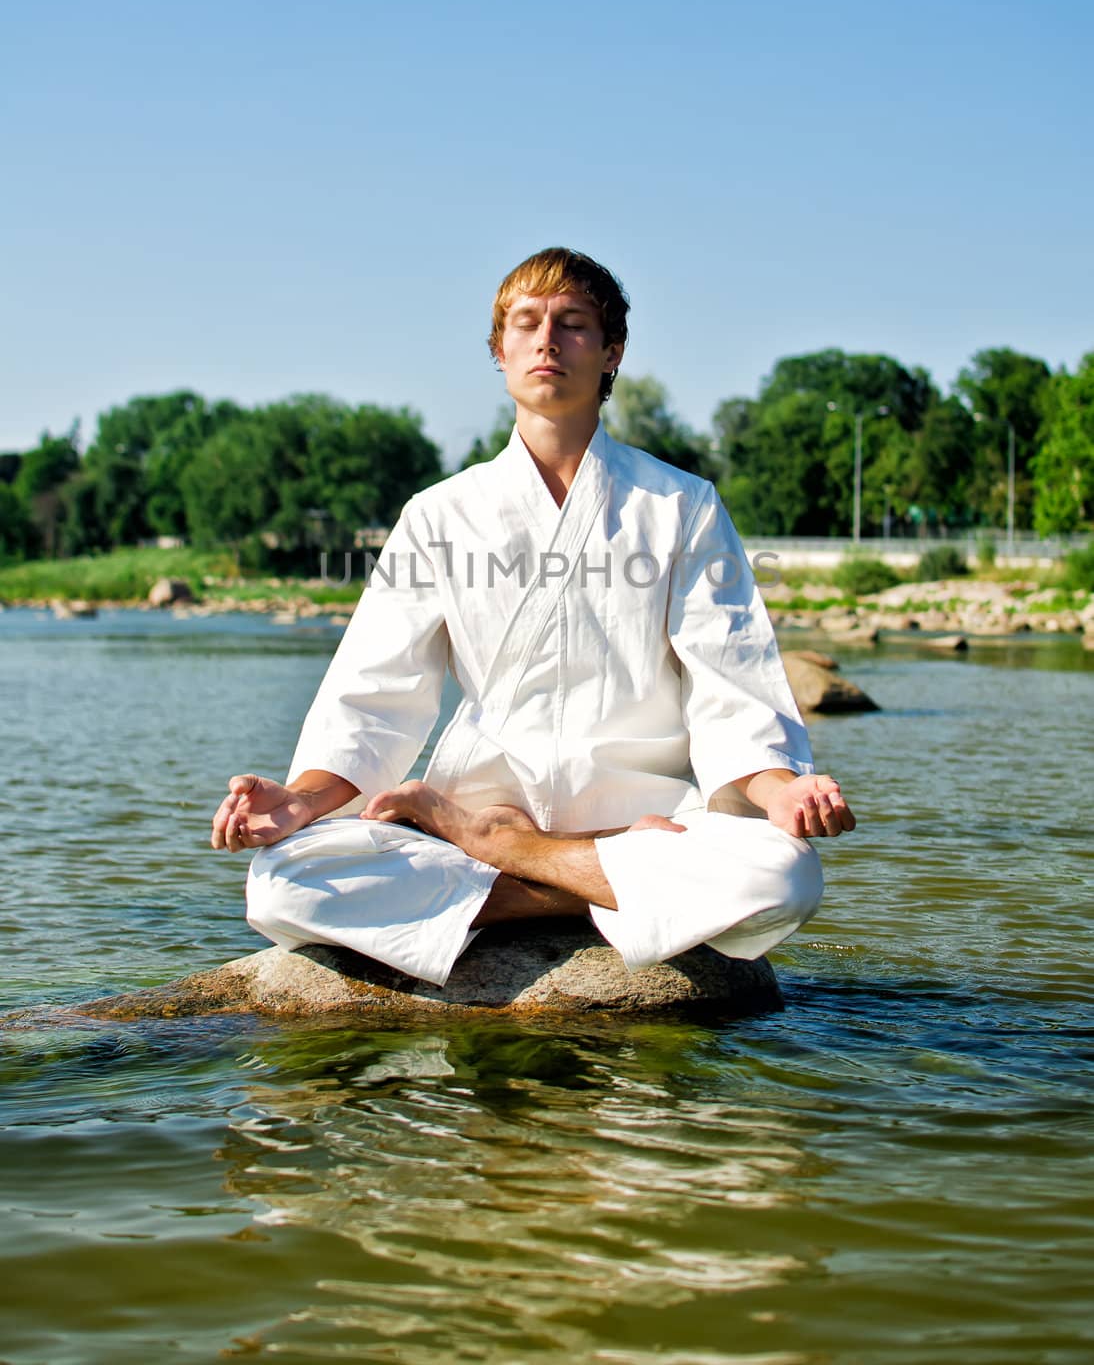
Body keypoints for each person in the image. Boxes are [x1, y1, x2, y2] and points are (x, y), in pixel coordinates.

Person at [211, 248, 854, 986]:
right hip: (508, 820)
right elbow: (374, 697)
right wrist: (298, 802)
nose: (548, 340)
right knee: (285, 880)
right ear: (500, 350)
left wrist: (781, 791)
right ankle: (589, 886)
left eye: (574, 324)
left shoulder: (681, 506)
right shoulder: (440, 515)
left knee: (782, 874)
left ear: (612, 354)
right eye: (526, 323)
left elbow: (731, 684)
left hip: (645, 823)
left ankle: (519, 863)